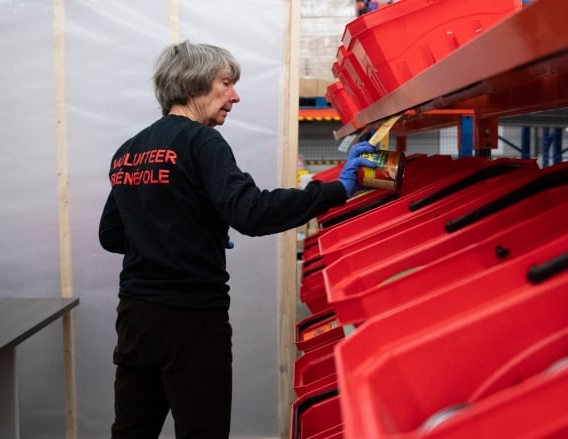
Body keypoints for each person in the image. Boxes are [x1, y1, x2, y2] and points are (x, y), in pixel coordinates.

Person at [98, 40, 376, 438]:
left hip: (136, 318)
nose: (235, 96)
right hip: (191, 319)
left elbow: (112, 234)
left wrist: (184, 232)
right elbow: (252, 212)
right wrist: (334, 190)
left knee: (131, 430)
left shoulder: (129, 151)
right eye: (226, 83)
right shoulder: (201, 141)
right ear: (194, 83)